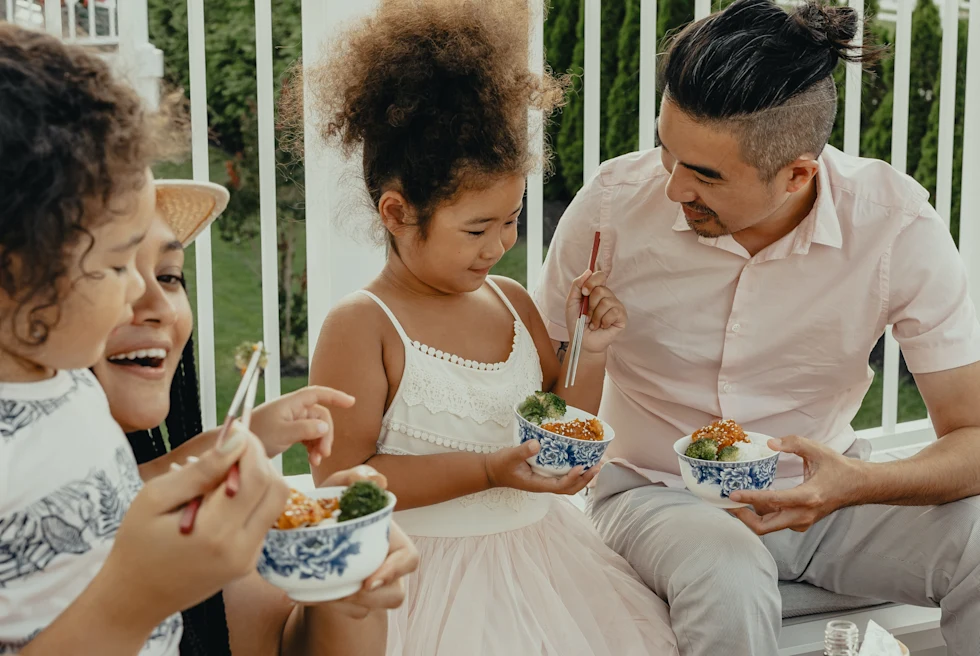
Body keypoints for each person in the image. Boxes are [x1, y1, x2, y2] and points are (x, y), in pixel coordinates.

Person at [536, 0, 980, 654]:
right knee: (727, 568)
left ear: (798, 173)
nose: (672, 190)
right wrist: (589, 354)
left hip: (831, 498)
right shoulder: (609, 208)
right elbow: (551, 407)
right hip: (660, 497)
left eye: (705, 175)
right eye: (668, 150)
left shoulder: (894, 226)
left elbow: (971, 435)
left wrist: (857, 484)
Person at [301, 1, 679, 654]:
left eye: (512, 219)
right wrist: (486, 469)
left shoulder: (510, 302)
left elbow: (563, 426)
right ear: (397, 212)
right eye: (476, 228)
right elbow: (342, 481)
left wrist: (593, 352)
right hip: (426, 583)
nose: (499, 244)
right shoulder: (363, 326)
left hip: (551, 569)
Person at [0, 24, 287, 654]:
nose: (141, 295)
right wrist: (140, 594)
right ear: (13, 271)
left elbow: (109, 503)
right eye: (113, 267)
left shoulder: (65, 379)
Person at [90, 179, 419, 656]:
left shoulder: (208, 509)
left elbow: (273, 643)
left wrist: (344, 587)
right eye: (112, 269)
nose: (158, 307)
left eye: (168, 276)